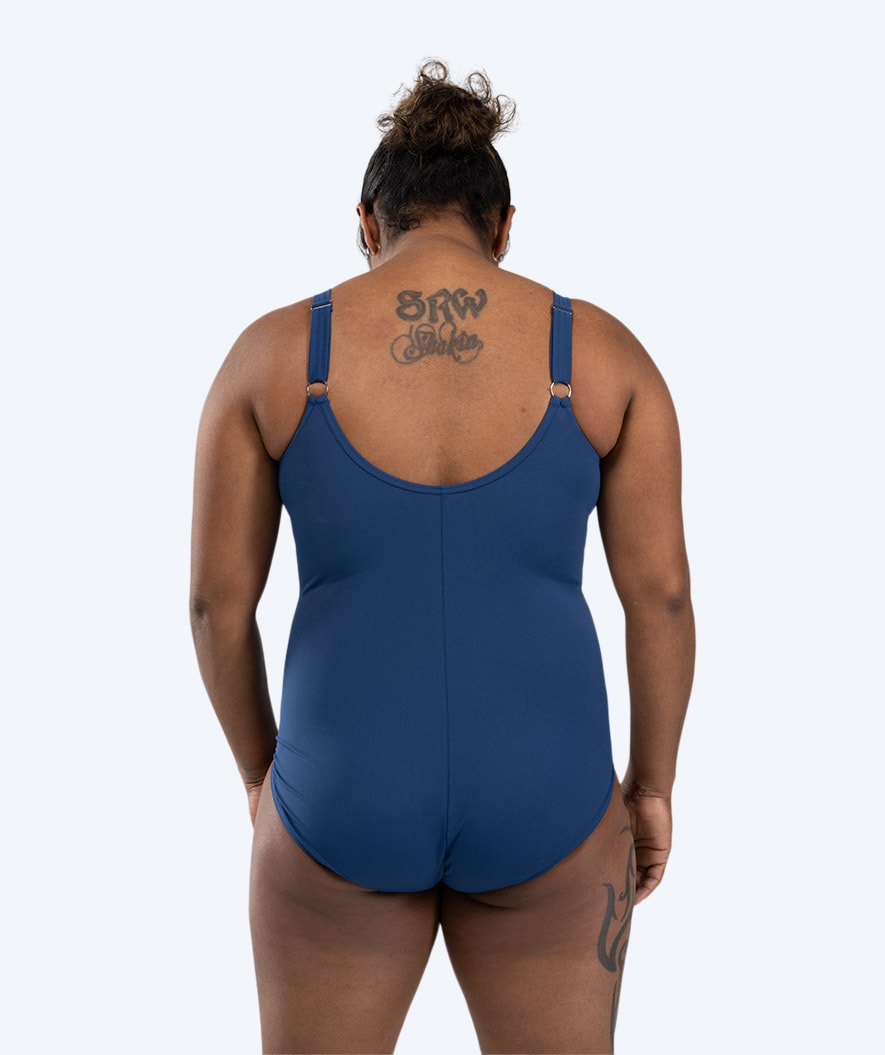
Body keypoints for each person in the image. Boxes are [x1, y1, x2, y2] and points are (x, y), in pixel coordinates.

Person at [190, 59, 694, 1055]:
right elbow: (662, 596)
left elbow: (215, 603)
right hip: (549, 794)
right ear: (502, 227)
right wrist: (650, 786)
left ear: (366, 224)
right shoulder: (601, 355)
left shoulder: (274, 356)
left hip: (339, 789)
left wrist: (260, 771)